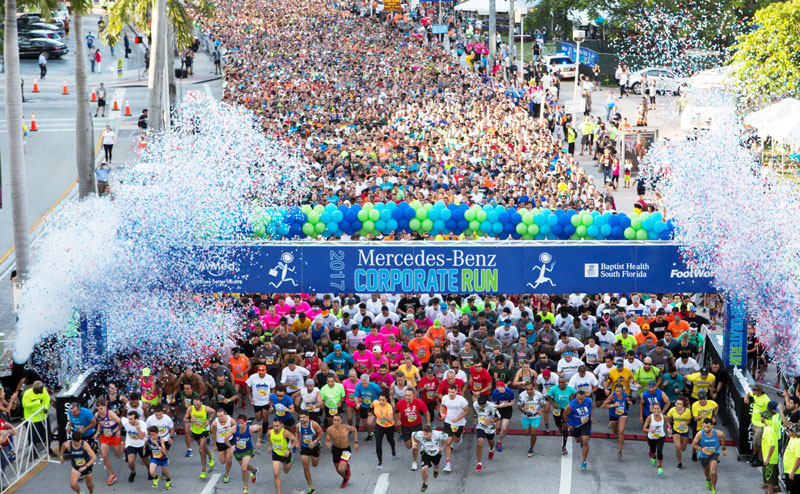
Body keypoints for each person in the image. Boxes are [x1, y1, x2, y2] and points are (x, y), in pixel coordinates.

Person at [396, 388, 429, 470]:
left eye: (409, 395)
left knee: (414, 445)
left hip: (416, 425)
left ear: (413, 395)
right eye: (406, 395)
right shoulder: (400, 403)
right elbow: (395, 412)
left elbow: (426, 413)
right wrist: (398, 419)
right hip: (405, 426)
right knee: (408, 446)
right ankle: (413, 443)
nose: (407, 397)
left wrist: (428, 424)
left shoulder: (419, 402)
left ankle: (414, 461)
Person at [183, 395, 216, 478]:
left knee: (201, 450)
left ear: (201, 403)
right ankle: (210, 456)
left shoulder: (205, 408)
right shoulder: (190, 409)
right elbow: (184, 419)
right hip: (195, 431)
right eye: (195, 404)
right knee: (203, 447)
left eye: (198, 404)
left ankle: (203, 471)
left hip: (204, 430)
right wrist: (190, 420)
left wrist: (209, 420)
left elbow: (213, 411)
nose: (196, 406)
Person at [439, 384, 469, 473]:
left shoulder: (461, 400)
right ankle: (448, 464)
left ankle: (458, 438)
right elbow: (442, 405)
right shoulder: (445, 398)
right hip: (448, 421)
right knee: (448, 441)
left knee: (456, 440)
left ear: (456, 391)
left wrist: (458, 419)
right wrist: (441, 413)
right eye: (449, 392)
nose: (451, 394)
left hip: (459, 423)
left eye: (453, 392)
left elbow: (467, 411)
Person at [692, 418, 726, 494]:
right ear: (702, 426)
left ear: (712, 426)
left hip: (714, 454)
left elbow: (723, 438)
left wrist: (723, 448)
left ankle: (713, 488)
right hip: (703, 456)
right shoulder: (699, 434)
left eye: (708, 427)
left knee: (713, 471)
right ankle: (708, 479)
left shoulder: (718, 433)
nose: (706, 429)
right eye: (704, 427)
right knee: (706, 470)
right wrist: (700, 449)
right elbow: (693, 445)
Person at [325, 413, 358, 488]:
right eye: (334, 420)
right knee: (338, 470)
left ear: (341, 420)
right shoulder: (329, 429)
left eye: (338, 420)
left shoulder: (346, 428)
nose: (336, 422)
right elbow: (327, 439)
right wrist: (327, 443)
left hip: (345, 450)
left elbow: (355, 430)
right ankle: (345, 479)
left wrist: (356, 442)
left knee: (341, 469)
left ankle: (346, 468)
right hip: (336, 449)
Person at [230, 414, 262, 494]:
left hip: (247, 450)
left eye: (242, 423)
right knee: (246, 467)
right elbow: (226, 438)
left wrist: (259, 440)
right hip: (237, 451)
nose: (240, 425)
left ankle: (245, 488)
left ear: (246, 423)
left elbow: (260, 428)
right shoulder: (234, 428)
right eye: (239, 423)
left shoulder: (250, 428)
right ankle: (254, 471)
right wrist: (231, 446)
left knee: (244, 468)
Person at [95, 398, 123, 485]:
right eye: (98, 408)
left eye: (101, 408)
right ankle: (112, 475)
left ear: (105, 406)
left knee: (118, 455)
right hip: (104, 437)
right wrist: (97, 432)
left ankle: (123, 445)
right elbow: (100, 423)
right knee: (104, 455)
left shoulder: (110, 414)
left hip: (114, 436)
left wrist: (114, 432)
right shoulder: (97, 415)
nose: (100, 410)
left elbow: (120, 422)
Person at [412, 424, 448, 493]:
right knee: (424, 468)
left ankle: (436, 470)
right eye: (425, 434)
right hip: (425, 452)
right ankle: (425, 483)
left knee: (436, 465)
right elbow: (413, 434)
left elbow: (445, 437)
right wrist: (413, 442)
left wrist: (442, 446)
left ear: (431, 432)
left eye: (428, 434)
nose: (426, 436)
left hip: (436, 453)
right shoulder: (420, 434)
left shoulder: (437, 434)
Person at [564, 389, 593, 471]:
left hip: (585, 423)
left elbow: (591, 408)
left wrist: (591, 417)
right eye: (578, 399)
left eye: (582, 399)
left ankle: (584, 462)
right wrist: (569, 424)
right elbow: (565, 414)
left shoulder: (589, 400)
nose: (580, 401)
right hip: (575, 425)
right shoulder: (571, 405)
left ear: (585, 397)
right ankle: (581, 441)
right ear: (576, 397)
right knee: (577, 440)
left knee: (585, 440)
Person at [547, 376, 576, 455]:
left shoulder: (570, 389)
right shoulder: (554, 388)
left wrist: (572, 401)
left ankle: (564, 447)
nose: (561, 384)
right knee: (558, 424)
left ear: (566, 382)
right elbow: (548, 395)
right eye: (559, 382)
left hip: (566, 410)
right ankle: (560, 427)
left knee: (565, 426)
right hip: (557, 409)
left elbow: (575, 393)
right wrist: (553, 404)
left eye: (562, 382)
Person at [602, 383, 631, 458]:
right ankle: (617, 435)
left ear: (622, 391)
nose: (618, 393)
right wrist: (613, 405)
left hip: (623, 414)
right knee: (616, 431)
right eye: (617, 391)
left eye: (619, 391)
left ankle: (620, 451)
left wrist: (628, 401)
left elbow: (626, 398)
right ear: (614, 390)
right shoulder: (612, 396)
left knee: (621, 431)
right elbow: (603, 405)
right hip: (613, 415)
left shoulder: (624, 394)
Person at [297, 410, 324, 494]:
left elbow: (321, 433)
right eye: (300, 417)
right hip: (305, 447)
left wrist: (315, 442)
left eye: (304, 417)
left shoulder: (314, 424)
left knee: (314, 464)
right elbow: (297, 433)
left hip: (314, 446)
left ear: (308, 417)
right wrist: (296, 441)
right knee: (305, 467)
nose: (302, 419)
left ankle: (319, 445)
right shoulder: (298, 425)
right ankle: (311, 487)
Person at [267, 417, 296, 494]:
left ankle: (289, 462)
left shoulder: (285, 433)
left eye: (277, 426)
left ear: (282, 425)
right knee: (276, 474)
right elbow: (269, 438)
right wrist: (269, 447)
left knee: (286, 471)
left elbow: (295, 440)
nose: (275, 428)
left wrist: (289, 450)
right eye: (274, 426)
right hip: (276, 453)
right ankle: (279, 492)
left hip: (286, 454)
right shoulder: (270, 432)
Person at [745, 383, 771, 467]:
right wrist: (746, 397)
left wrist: (765, 419)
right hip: (754, 422)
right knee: (755, 442)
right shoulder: (755, 394)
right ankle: (755, 454)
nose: (753, 391)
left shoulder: (766, 399)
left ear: (759, 391)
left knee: (758, 443)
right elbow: (749, 393)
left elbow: (770, 410)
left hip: (761, 425)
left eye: (754, 390)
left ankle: (759, 459)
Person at [517, 380, 545, 457]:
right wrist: (523, 408)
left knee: (533, 432)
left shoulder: (539, 395)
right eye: (527, 389)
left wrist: (541, 410)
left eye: (530, 389)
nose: (529, 391)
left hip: (535, 416)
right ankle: (530, 435)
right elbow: (519, 406)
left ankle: (531, 448)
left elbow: (543, 404)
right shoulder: (522, 395)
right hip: (525, 416)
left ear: (534, 388)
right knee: (526, 433)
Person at [473, 394, 499, 472]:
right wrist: (475, 417)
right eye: (480, 405)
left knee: (490, 441)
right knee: (480, 443)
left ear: (486, 403)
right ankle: (479, 463)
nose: (481, 407)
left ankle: (491, 449)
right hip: (480, 425)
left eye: (483, 405)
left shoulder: (492, 406)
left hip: (490, 427)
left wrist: (491, 421)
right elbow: (475, 410)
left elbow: (498, 417)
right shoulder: (475, 404)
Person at [121, 410, 148, 483]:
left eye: (131, 419)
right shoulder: (126, 421)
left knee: (145, 460)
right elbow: (119, 420)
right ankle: (133, 472)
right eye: (128, 418)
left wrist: (137, 426)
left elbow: (142, 436)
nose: (129, 421)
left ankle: (149, 471)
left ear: (136, 419)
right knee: (131, 461)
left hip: (141, 444)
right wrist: (117, 431)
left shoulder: (143, 424)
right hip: (131, 444)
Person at [210, 407, 235, 484]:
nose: (220, 418)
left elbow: (236, 429)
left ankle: (226, 475)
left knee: (229, 459)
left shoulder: (230, 420)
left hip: (229, 441)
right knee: (222, 461)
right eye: (218, 416)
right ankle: (226, 472)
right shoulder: (215, 423)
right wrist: (214, 445)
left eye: (222, 416)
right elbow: (213, 434)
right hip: (220, 442)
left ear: (225, 414)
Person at [666, 397, 692, 468]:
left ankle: (680, 444)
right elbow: (667, 419)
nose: (679, 406)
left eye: (681, 404)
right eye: (678, 404)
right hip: (676, 430)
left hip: (684, 431)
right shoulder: (672, 410)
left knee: (683, 448)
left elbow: (689, 420)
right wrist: (669, 428)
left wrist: (685, 422)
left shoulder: (687, 411)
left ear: (683, 404)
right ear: (675, 404)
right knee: (678, 448)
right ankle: (679, 462)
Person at [643, 403, 666, 476]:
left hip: (661, 436)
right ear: (652, 410)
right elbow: (644, 428)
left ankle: (659, 467)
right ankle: (653, 456)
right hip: (652, 437)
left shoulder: (663, 417)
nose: (656, 410)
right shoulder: (650, 417)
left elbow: (668, 423)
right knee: (653, 450)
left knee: (659, 451)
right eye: (655, 409)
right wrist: (650, 431)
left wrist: (669, 428)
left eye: (658, 409)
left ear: (660, 409)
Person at [761, 403, 780, 494]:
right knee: (768, 482)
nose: (761, 418)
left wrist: (768, 458)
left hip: (770, 460)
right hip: (768, 459)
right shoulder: (767, 428)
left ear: (764, 419)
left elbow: (772, 445)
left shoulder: (769, 430)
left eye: (762, 416)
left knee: (770, 483)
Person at [146, 425, 171, 490]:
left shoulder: (161, 439)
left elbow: (164, 451)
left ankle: (168, 481)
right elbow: (145, 442)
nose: (152, 437)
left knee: (165, 472)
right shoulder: (149, 439)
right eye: (151, 435)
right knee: (151, 472)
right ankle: (156, 478)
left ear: (157, 433)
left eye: (154, 435)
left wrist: (157, 445)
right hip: (154, 458)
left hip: (162, 458)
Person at [784, 423, 800, 494]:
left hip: (795, 473)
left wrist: (793, 472)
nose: (787, 430)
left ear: (794, 432)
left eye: (789, 430)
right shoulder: (791, 439)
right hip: (789, 471)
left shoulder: (798, 442)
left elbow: (799, 459)